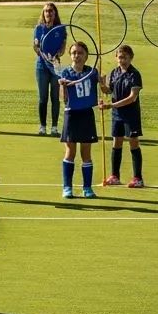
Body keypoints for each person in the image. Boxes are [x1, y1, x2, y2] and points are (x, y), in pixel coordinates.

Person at [99, 45, 144, 188]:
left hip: (130, 114)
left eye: (125, 57)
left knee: (133, 142)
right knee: (116, 142)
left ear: (131, 58)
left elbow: (132, 98)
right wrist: (101, 83)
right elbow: (108, 90)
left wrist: (111, 105)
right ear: (116, 58)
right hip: (117, 115)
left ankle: (138, 178)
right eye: (120, 57)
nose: (122, 60)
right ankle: (115, 176)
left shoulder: (135, 74)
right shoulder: (114, 73)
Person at [59, 40, 99, 199]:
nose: (77, 56)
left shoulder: (92, 72)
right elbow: (63, 99)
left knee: (86, 153)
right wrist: (62, 86)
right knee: (70, 151)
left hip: (87, 114)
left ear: (86, 56)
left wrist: (103, 82)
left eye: (80, 53)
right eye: (74, 53)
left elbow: (105, 89)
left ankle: (87, 188)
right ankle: (67, 187)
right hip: (72, 114)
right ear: (70, 55)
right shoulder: (66, 73)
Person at [32, 2, 62, 136]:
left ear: (55, 13)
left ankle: (54, 127)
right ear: (43, 14)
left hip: (55, 66)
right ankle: (43, 126)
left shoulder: (61, 29)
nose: (48, 13)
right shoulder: (39, 28)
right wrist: (43, 55)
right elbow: (36, 47)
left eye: (51, 11)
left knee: (55, 97)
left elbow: (62, 47)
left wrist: (57, 55)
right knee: (43, 98)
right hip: (41, 66)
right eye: (46, 11)